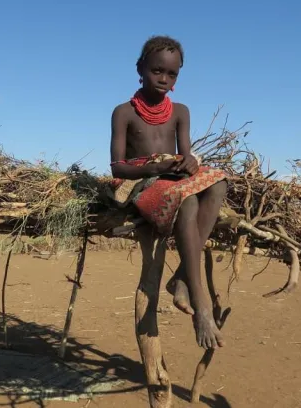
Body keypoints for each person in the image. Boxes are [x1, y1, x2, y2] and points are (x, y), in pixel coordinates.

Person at [109, 35, 228, 349]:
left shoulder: (181, 112)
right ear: (140, 68)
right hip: (140, 181)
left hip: (170, 177)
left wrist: (188, 162)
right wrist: (151, 169)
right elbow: (117, 168)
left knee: (219, 182)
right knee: (186, 204)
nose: (164, 79)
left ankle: (180, 277)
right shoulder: (123, 112)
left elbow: (185, 155)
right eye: (157, 71)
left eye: (172, 74)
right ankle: (201, 305)